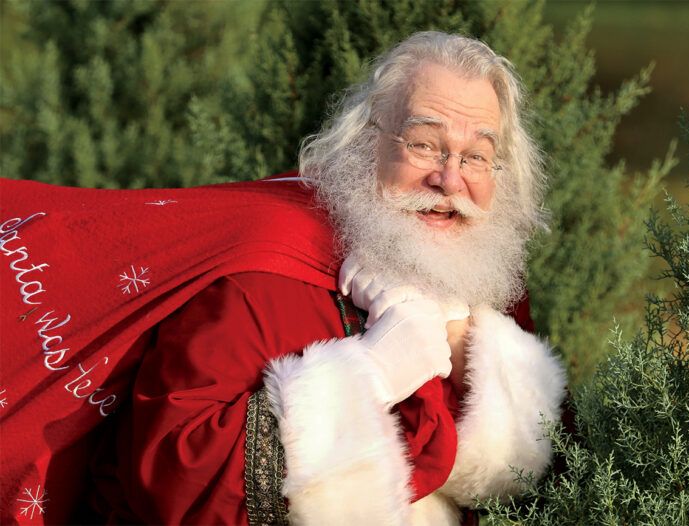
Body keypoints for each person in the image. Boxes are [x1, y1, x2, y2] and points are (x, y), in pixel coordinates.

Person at [1, 31, 565, 525]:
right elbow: (173, 478)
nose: (450, 178)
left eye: (477, 156)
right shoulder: (268, 268)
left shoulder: (482, 280)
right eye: (424, 145)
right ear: (368, 143)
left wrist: (469, 354)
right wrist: (370, 374)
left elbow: (544, 480)